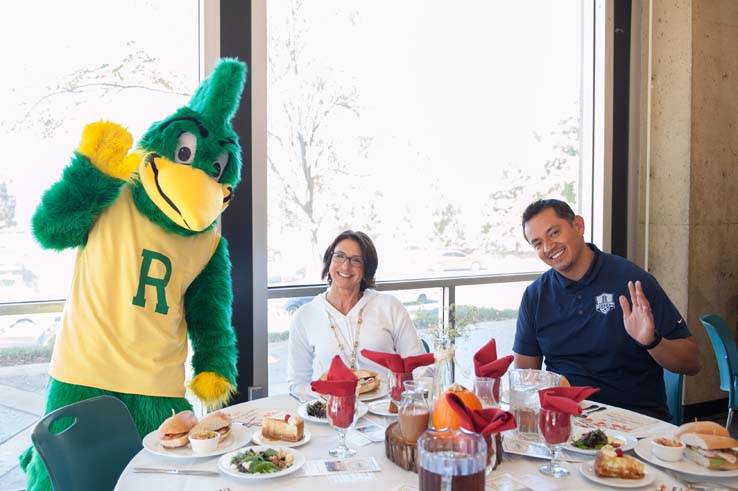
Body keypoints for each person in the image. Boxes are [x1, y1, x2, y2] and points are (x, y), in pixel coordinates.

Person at [513, 199, 701, 420]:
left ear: (578, 226)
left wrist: (652, 341)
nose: (548, 247)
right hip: (566, 419)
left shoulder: (632, 281)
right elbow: (525, 379)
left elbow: (692, 363)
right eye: (537, 243)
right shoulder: (535, 296)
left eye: (554, 233)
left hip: (633, 420)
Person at [287, 230, 426, 386]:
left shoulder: (389, 306)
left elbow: (420, 369)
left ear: (367, 269)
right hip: (333, 407)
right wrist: (319, 405)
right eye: (339, 256)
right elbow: (298, 383)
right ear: (329, 260)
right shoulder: (306, 315)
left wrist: (409, 401)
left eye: (356, 260)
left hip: (387, 406)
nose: (346, 266)